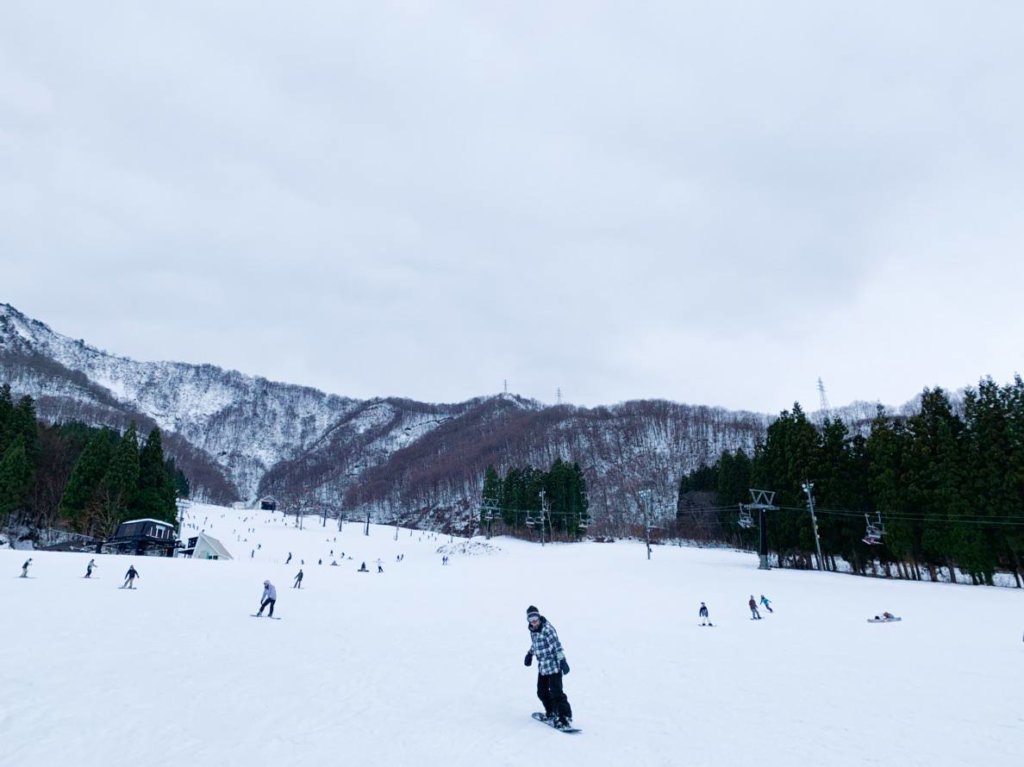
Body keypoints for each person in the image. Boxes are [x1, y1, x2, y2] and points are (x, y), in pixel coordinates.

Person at [524, 605, 573, 729]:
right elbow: (536, 644)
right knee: (542, 692)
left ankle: (564, 717)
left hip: (554, 666)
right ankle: (552, 712)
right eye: (530, 619)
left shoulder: (547, 629)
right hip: (543, 667)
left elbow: (556, 646)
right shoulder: (533, 630)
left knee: (557, 693)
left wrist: (563, 660)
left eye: (535, 617)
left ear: (539, 617)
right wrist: (530, 653)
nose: (533, 621)